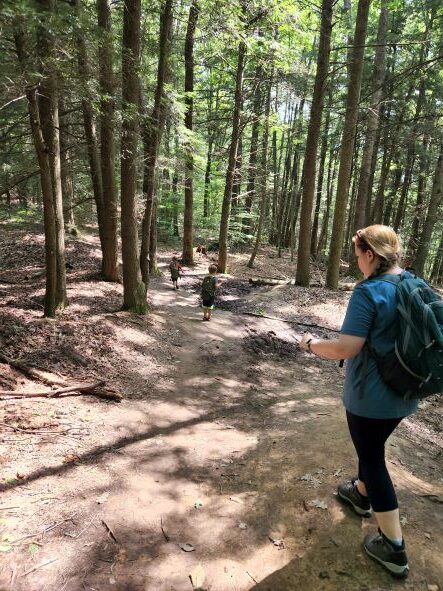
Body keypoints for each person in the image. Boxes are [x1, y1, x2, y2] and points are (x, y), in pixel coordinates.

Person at [300, 225, 418, 579]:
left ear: (371, 254)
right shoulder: (414, 283)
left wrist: (309, 344)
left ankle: (393, 547)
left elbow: (345, 348)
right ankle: (360, 493)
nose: (356, 264)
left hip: (371, 398)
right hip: (406, 392)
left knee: (372, 457)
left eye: (357, 256)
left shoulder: (369, 292)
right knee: (374, 447)